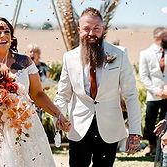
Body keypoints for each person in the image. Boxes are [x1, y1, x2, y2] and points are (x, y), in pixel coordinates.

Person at [0, 17, 70, 167]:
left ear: (12, 37)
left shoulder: (25, 62)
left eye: (7, 31)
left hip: (23, 123)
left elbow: (37, 94)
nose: (3, 35)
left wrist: (58, 114)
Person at [54, 7, 141, 167]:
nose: (91, 33)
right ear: (79, 30)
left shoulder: (120, 55)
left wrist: (135, 131)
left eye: (96, 28)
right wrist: (59, 117)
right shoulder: (69, 58)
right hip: (78, 128)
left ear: (103, 29)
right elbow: (63, 94)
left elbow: (130, 95)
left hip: (110, 128)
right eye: (86, 29)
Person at [139, 27, 167, 156]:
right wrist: (157, 91)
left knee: (165, 121)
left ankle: (163, 148)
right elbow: (143, 76)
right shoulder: (145, 53)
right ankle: (151, 145)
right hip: (153, 96)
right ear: (158, 38)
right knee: (150, 123)